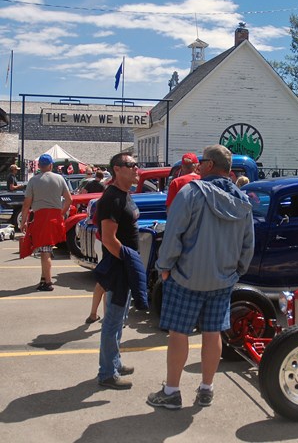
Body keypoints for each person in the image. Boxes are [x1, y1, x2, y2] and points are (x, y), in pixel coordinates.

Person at [148, 144, 254, 409]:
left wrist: (165, 265)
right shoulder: (242, 200)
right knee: (212, 332)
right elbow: (247, 245)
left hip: (186, 277)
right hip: (223, 279)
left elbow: (173, 234)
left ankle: (171, 391)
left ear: (208, 165)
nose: (198, 165)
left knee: (178, 334)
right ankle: (206, 388)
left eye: (202, 161)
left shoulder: (190, 193)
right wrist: (236, 270)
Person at [94, 152, 149, 390]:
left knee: (120, 320)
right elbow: (108, 239)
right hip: (118, 268)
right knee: (113, 321)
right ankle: (106, 373)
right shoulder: (112, 198)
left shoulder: (125, 194)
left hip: (124, 267)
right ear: (117, 169)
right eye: (132, 165)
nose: (137, 169)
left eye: (137, 165)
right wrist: (129, 263)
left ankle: (114, 362)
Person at [20, 154, 72, 291]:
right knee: (47, 250)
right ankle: (44, 279)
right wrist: (61, 213)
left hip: (41, 217)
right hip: (55, 217)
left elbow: (26, 204)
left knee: (44, 251)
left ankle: (48, 282)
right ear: (51, 165)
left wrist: (23, 222)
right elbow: (69, 200)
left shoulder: (34, 181)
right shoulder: (60, 178)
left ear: (40, 166)